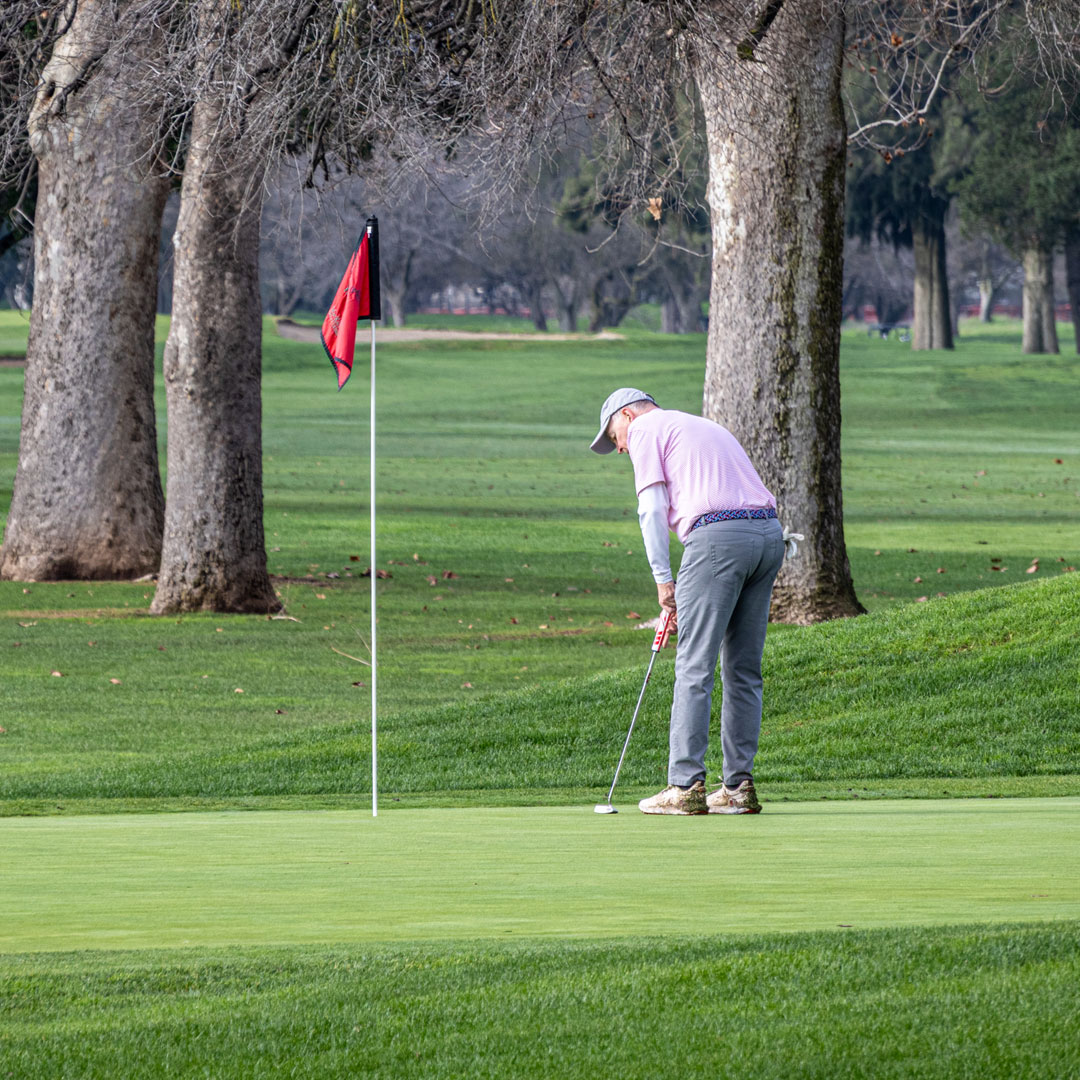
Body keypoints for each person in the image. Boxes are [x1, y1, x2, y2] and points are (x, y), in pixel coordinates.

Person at [590, 387, 795, 816]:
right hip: (768, 536)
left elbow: (651, 508)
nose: (621, 447)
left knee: (694, 664)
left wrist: (664, 579)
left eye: (615, 436)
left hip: (718, 539)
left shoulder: (646, 428)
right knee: (743, 667)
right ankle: (738, 788)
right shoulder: (699, 424)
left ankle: (685, 785)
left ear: (628, 414)